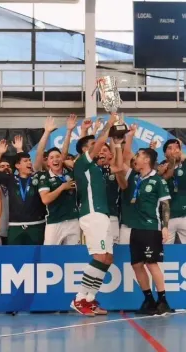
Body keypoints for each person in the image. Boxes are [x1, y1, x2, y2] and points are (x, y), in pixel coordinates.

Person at [70, 113, 118, 317]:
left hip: (103, 215)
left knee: (107, 258)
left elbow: (118, 165)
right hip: (91, 214)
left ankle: (90, 299)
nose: (98, 147)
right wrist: (109, 124)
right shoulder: (82, 163)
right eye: (92, 144)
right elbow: (98, 144)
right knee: (99, 256)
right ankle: (79, 298)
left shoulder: (98, 169)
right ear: (84, 149)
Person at [115, 147, 172, 315]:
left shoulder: (158, 181)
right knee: (136, 265)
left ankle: (163, 300)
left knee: (151, 263)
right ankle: (148, 299)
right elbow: (122, 162)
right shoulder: (135, 177)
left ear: (147, 160)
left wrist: (165, 226)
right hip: (135, 229)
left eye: (138, 156)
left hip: (150, 228)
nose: (135, 158)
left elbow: (165, 205)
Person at [158, 109, 186, 244]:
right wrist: (170, 163)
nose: (174, 150)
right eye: (170, 148)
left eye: (177, 147)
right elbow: (167, 176)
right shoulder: (161, 168)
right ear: (165, 153)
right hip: (167, 217)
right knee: (165, 252)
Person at [0, 140, 47, 245]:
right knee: (15, 258)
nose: (29, 162)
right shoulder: (11, 179)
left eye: (30, 160)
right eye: (26, 161)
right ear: (17, 166)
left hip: (36, 226)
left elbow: (40, 153)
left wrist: (47, 132)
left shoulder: (37, 177)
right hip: (15, 227)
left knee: (37, 259)